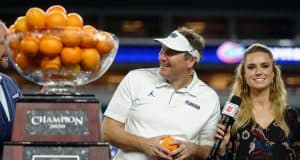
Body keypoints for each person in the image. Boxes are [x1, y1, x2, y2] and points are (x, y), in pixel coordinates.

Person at [102, 27, 221, 160]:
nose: (162, 57)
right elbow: (108, 131)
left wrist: (193, 149)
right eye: (162, 50)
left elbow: (209, 150)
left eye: (171, 52)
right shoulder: (135, 79)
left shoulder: (209, 98)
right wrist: (145, 145)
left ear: (191, 61)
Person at [214, 43, 298, 160]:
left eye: (264, 66)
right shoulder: (232, 117)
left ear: (273, 73)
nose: (258, 72)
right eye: (251, 67)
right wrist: (222, 149)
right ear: (244, 74)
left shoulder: (290, 116)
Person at [0, 20, 22, 159]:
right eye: (4, 43)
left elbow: (26, 117)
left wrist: (42, 100)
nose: (9, 49)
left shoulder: (9, 83)